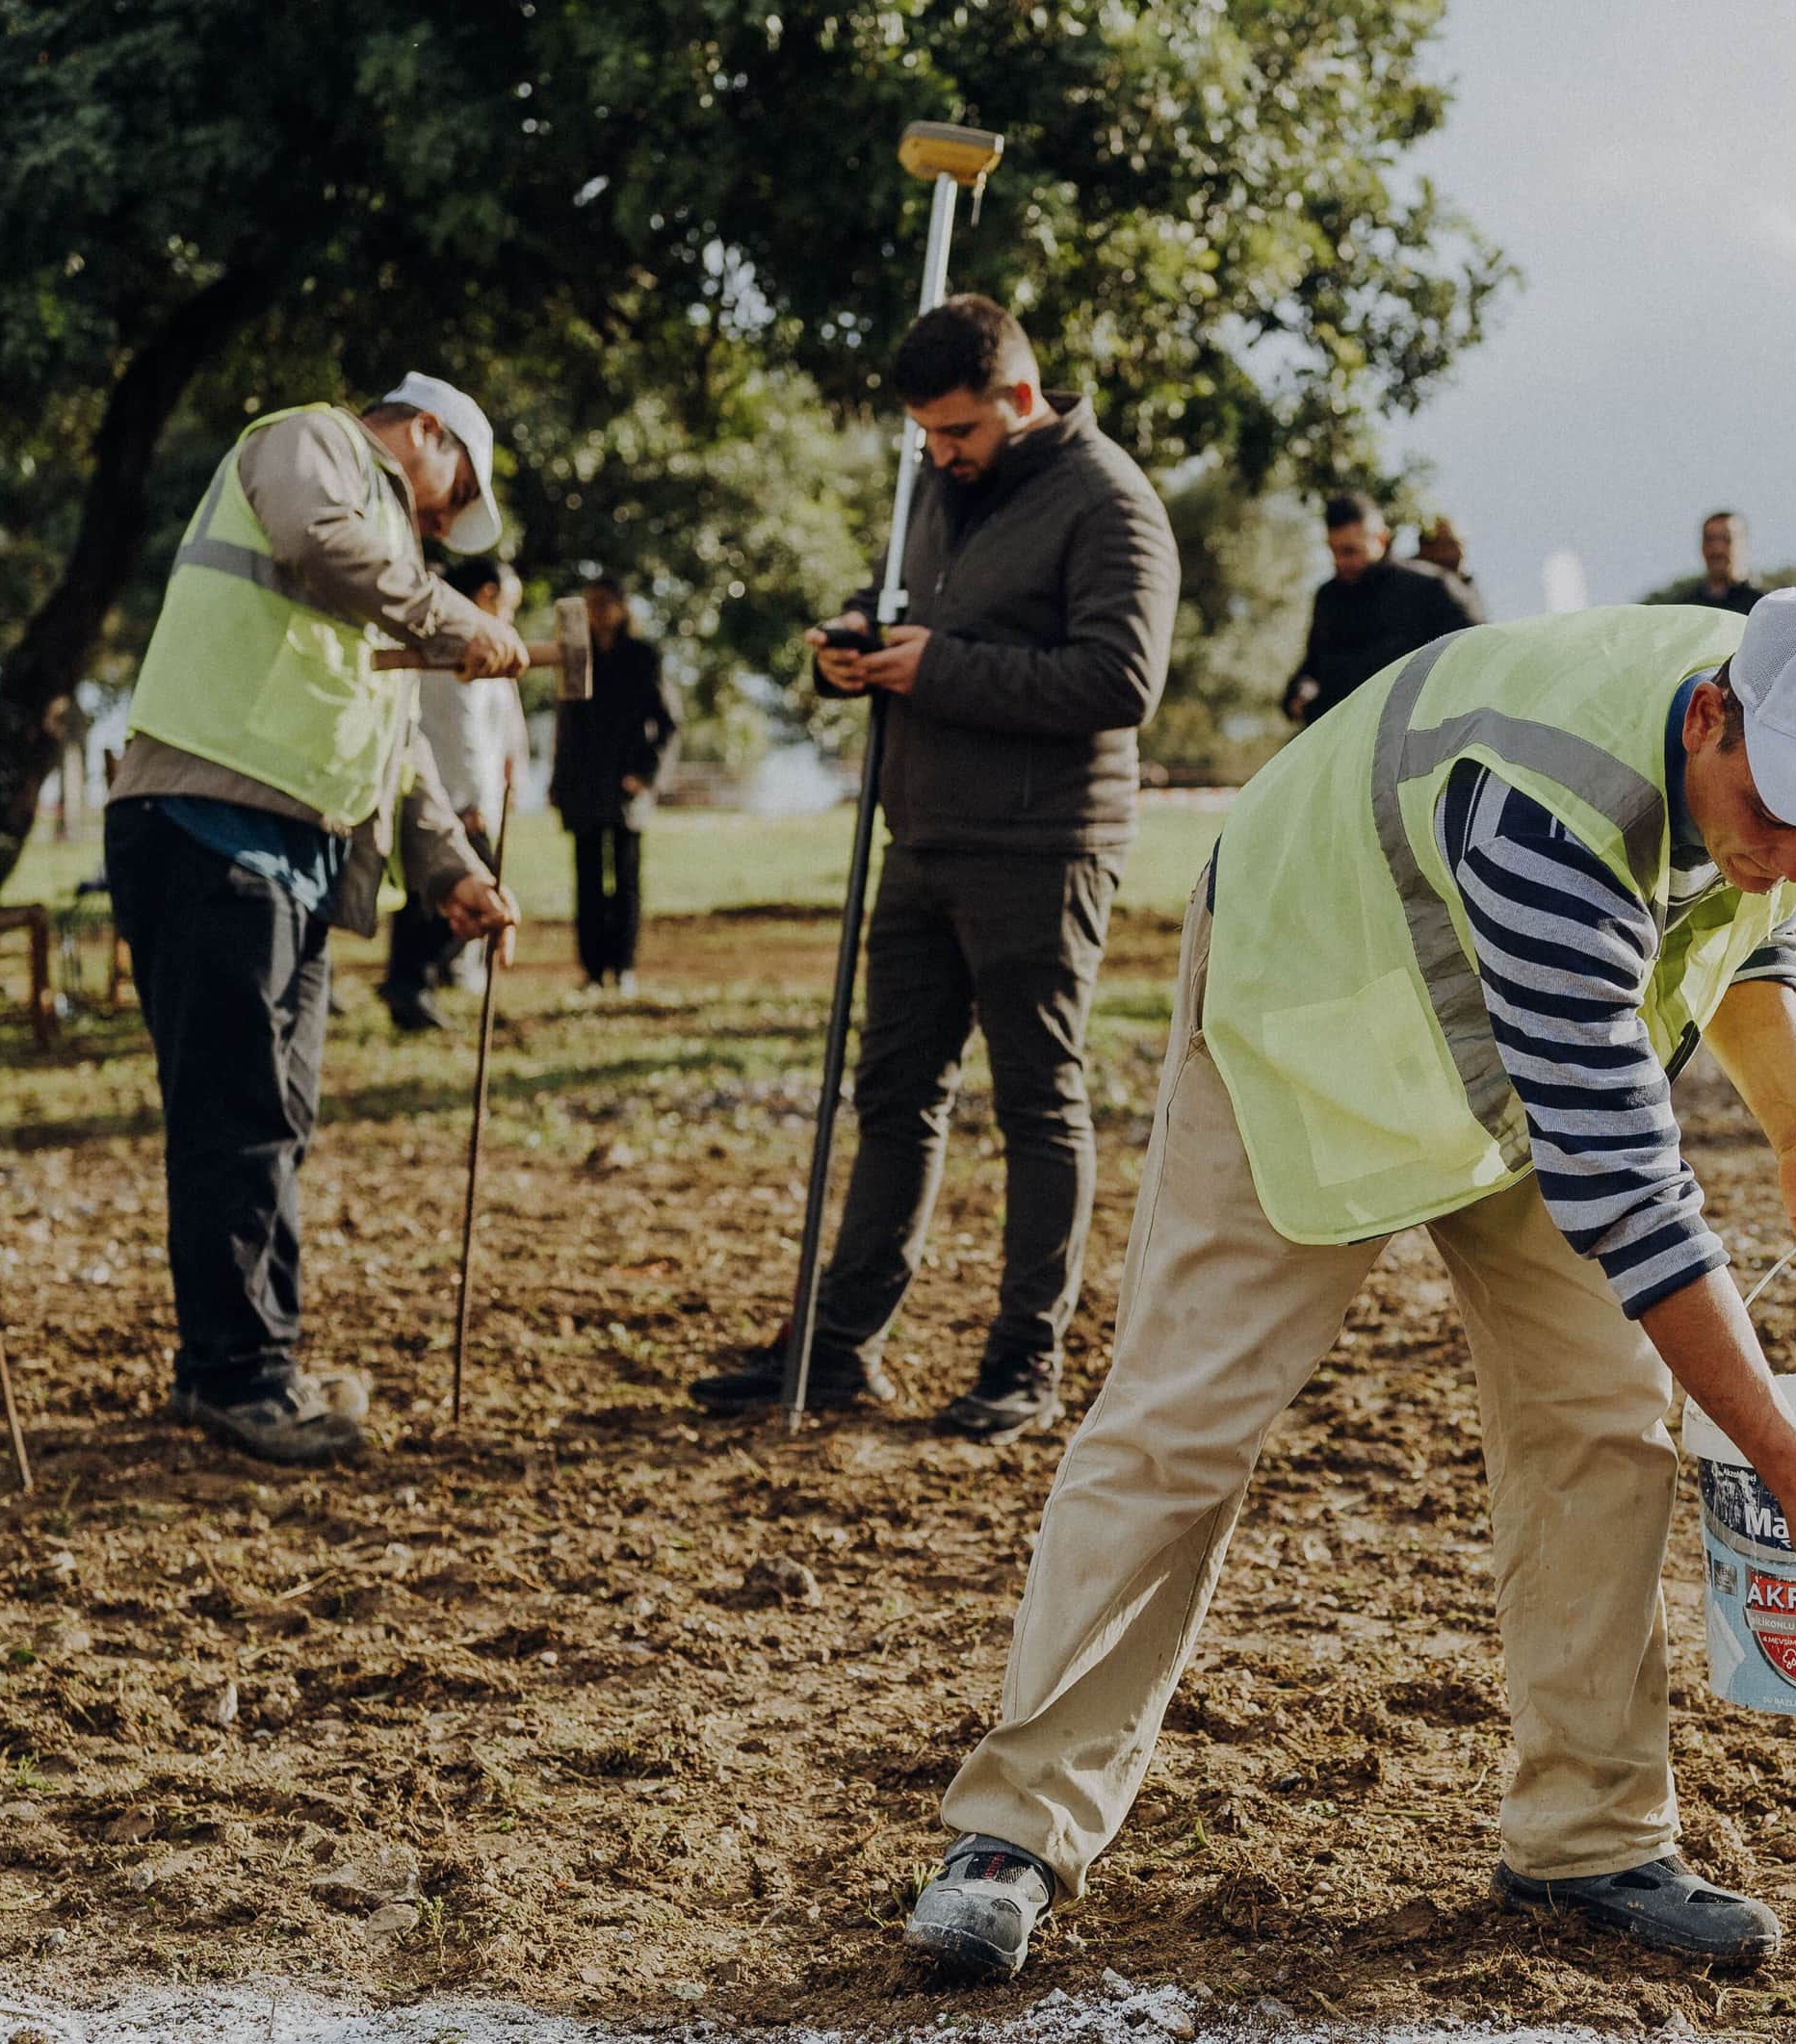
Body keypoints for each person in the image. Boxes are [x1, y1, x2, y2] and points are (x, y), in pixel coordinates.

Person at [900, 581, 1796, 1981]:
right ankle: (1011, 1830)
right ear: (1711, 719)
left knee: (1603, 1413)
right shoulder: (1549, 807)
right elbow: (1631, 1195)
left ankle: (1590, 1836)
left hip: (1527, 1064)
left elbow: (1745, 917)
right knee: (1180, 1421)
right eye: (1787, 810)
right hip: (1312, 1007)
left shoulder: (1769, 729)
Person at [690, 296, 1181, 1438]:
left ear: (1019, 398)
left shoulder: (1113, 503)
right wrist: (858, 647)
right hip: (921, 834)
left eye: (956, 432)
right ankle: (839, 1346)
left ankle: (1027, 1361)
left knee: (1036, 1104)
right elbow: (913, 616)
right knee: (894, 1098)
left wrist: (938, 667)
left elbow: (1121, 681)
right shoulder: (935, 488)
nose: (938, 453)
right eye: (925, 435)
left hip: (1042, 849)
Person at [105, 374, 524, 1464]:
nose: (442, 521)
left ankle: (241, 1359)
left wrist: (450, 870)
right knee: (238, 1112)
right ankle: (243, 1375)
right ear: (424, 430)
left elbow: (395, 738)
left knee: (272, 1115)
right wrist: (450, 617)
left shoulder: (391, 554)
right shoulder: (313, 446)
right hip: (206, 826)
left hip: (287, 852)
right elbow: (312, 536)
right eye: (451, 493)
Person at [381, 556, 529, 1034]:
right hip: (452, 796)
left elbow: (500, 726)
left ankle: (415, 983)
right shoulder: (455, 653)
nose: (509, 618)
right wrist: (468, 802)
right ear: (486, 595)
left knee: (437, 895)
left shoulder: (487, 651)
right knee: (452, 894)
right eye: (507, 606)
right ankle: (409, 984)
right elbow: (460, 732)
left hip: (466, 795)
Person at [548, 579, 673, 995]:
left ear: (621, 607)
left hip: (625, 789)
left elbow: (668, 722)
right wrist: (558, 780)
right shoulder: (575, 657)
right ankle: (592, 970)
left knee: (625, 879)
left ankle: (623, 967)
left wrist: (645, 774)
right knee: (585, 881)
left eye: (603, 604)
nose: (596, 613)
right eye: (589, 606)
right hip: (582, 785)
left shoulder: (642, 657)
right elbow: (564, 726)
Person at [1279, 493, 1477, 728]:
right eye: (1333, 551)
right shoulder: (1328, 597)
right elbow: (1313, 666)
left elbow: (1473, 659)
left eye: (1350, 551)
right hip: (1344, 743)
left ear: (1381, 540)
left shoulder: (1432, 589)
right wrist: (1297, 696)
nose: (1339, 561)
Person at [1660, 510, 1766, 614]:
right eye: (1709, 539)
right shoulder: (1685, 608)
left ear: (1745, 545)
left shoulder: (1763, 607)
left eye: (1726, 539)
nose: (1717, 549)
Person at [1412, 512, 1487, 625]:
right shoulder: (1409, 586)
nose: (1459, 553)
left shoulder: (1467, 587)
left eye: (1460, 544)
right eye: (1449, 545)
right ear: (1425, 548)